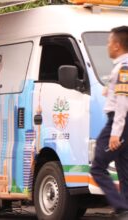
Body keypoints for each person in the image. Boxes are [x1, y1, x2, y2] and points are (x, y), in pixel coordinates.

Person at [90, 26, 128, 220]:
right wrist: (108, 90)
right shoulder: (124, 66)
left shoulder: (123, 68)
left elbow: (122, 103)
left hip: (119, 122)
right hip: (123, 123)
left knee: (97, 166)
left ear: (117, 45)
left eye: (108, 42)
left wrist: (115, 133)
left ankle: (121, 207)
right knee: (124, 168)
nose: (107, 46)